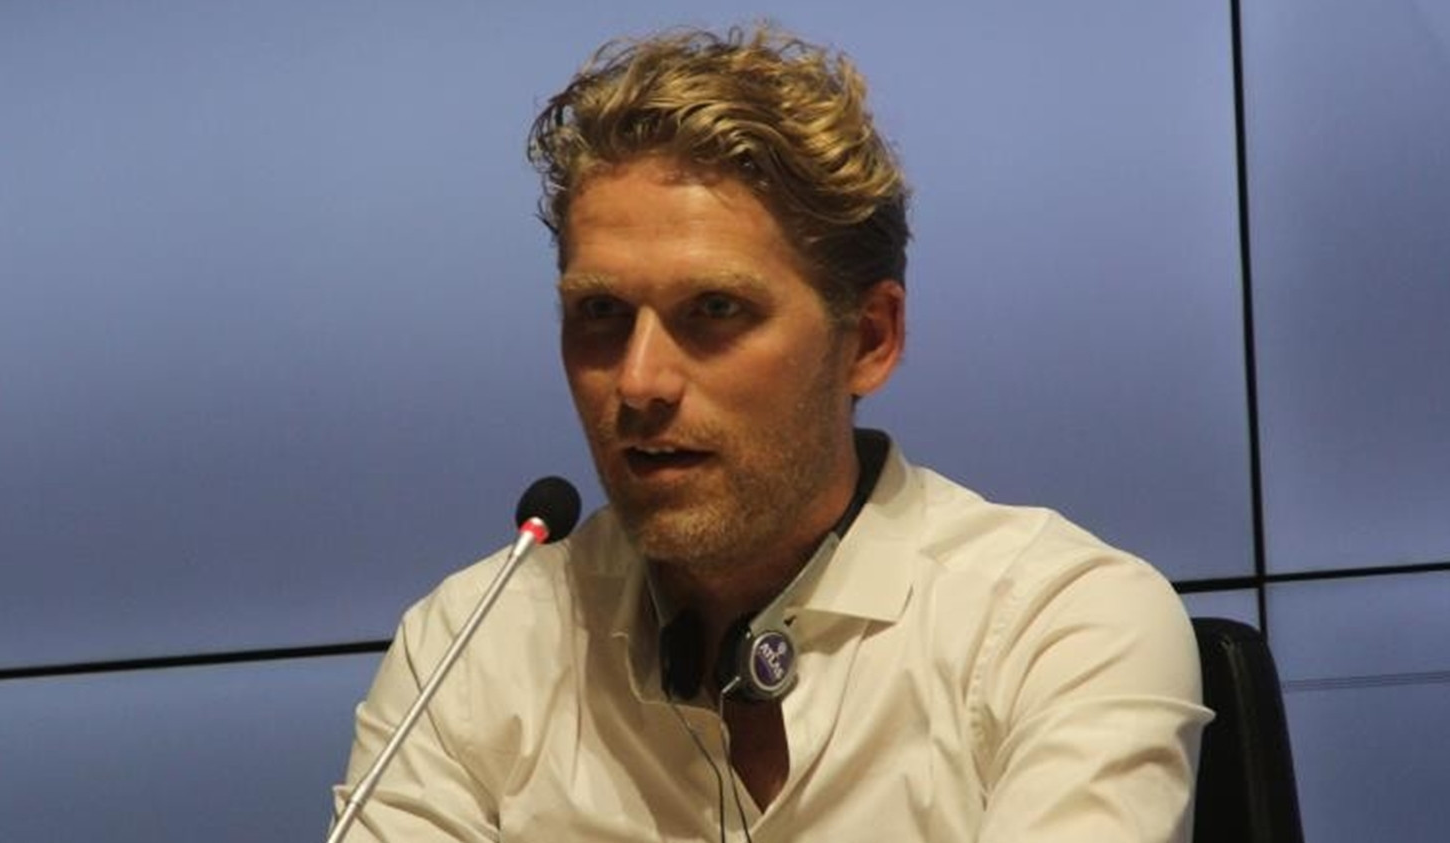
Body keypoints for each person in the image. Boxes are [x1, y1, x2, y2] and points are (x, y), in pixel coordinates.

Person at [332, 25, 1211, 842]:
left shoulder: (1057, 624)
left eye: (715, 309)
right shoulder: (471, 645)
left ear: (869, 340)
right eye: (600, 312)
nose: (638, 382)